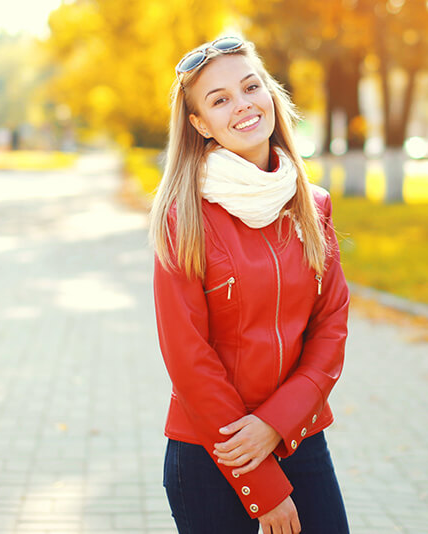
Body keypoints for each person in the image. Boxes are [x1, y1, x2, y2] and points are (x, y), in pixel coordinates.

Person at [149, 36, 350, 534]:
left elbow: (331, 326)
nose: (242, 105)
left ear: (270, 94)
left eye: (250, 86)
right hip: (211, 451)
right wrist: (260, 482)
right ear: (200, 125)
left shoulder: (312, 203)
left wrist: (275, 423)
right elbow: (188, 358)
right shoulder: (184, 217)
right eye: (219, 100)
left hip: (298, 437)